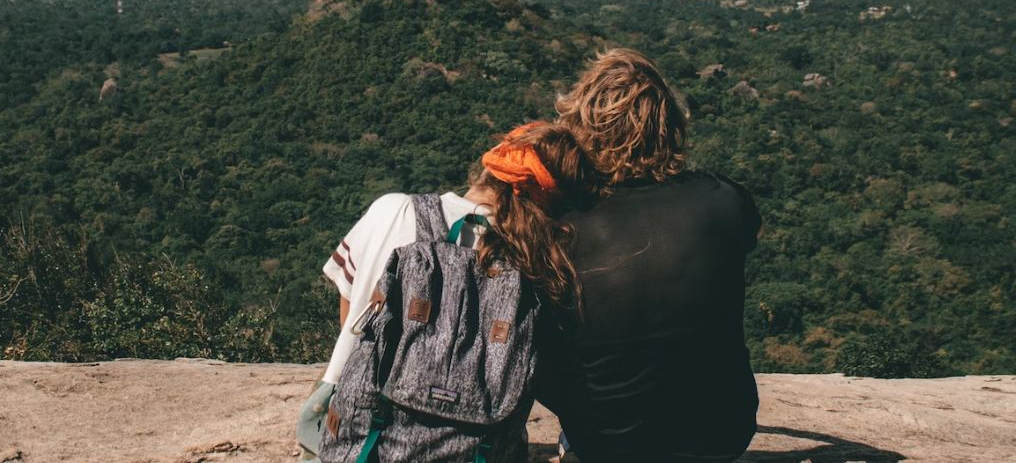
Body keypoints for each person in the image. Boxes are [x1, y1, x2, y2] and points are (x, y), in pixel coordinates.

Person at [297, 122, 598, 461]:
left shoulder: (394, 209)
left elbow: (351, 318)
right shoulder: (536, 265)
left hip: (359, 434)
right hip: (477, 445)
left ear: (488, 167)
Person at [540, 48, 762, 462]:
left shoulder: (562, 223)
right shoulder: (727, 202)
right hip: (722, 434)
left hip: (606, 442)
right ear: (670, 125)